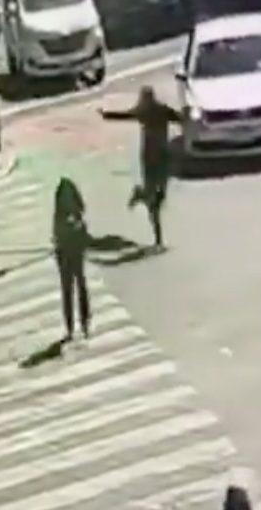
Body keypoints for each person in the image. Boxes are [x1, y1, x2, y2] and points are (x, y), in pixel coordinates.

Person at [99, 86, 182, 247]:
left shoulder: (144, 111)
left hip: (152, 156)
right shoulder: (160, 110)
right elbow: (181, 118)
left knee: (155, 196)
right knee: (158, 197)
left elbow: (124, 115)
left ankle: (141, 195)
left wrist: (106, 115)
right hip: (159, 156)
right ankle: (158, 239)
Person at [52, 177, 91, 341]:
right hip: (72, 255)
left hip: (68, 255)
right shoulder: (73, 215)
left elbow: (58, 236)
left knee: (70, 290)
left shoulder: (61, 215)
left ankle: (75, 325)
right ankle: (81, 323)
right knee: (78, 287)